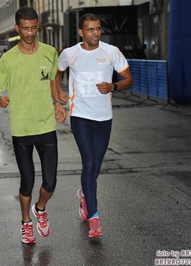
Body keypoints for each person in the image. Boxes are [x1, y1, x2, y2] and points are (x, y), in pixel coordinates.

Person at [0, 7, 66, 245]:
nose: (30, 33)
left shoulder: (50, 52)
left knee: (50, 182)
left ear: (37, 26)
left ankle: (40, 209)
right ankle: (26, 223)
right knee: (27, 180)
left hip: (45, 126)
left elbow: (52, 80)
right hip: (21, 129)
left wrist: (57, 103)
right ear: (17, 28)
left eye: (33, 27)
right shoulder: (9, 58)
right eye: (25, 28)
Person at [55, 13, 134, 238]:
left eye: (98, 29)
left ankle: (84, 194)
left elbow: (129, 78)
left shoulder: (111, 52)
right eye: (90, 29)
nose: (95, 33)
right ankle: (94, 216)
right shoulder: (70, 53)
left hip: (104, 118)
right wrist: (58, 94)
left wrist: (114, 87)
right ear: (81, 32)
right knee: (89, 163)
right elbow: (56, 73)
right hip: (79, 116)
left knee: (96, 166)